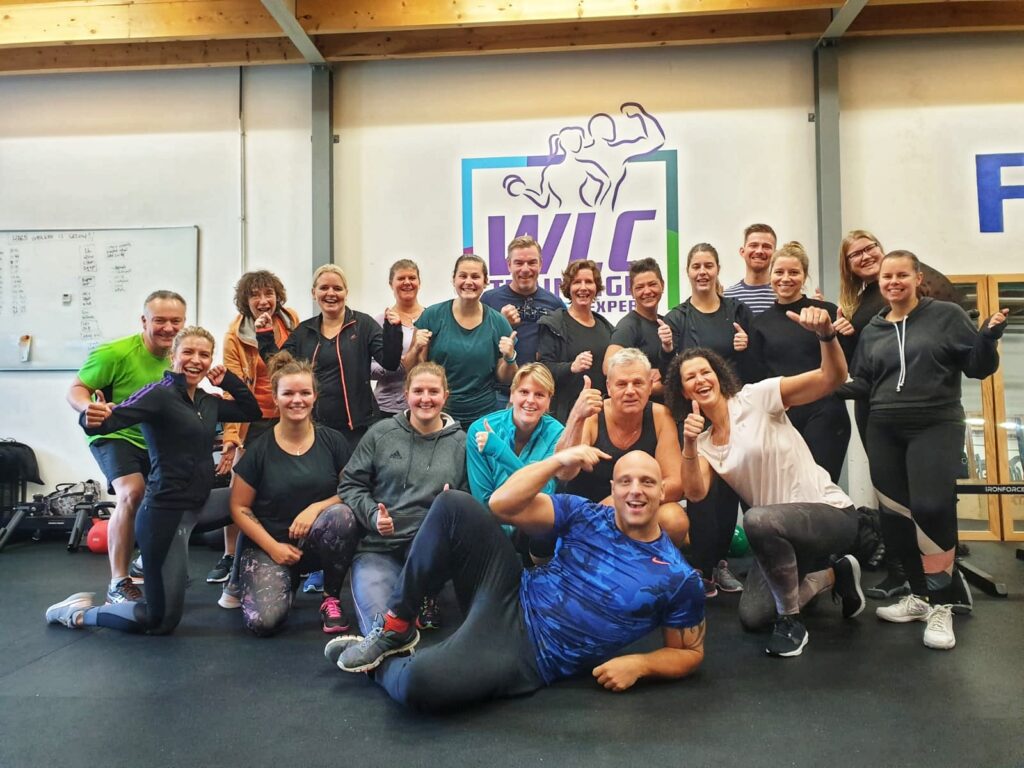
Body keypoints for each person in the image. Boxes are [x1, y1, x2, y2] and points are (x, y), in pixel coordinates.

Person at [326, 447, 706, 713]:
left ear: (663, 491)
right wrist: (555, 462)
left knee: (419, 685)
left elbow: (689, 652)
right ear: (613, 489)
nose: (635, 490)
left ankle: (380, 667)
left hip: (530, 653)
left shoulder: (677, 577)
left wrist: (640, 664)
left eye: (646, 482)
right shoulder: (586, 514)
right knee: (454, 505)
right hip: (509, 589)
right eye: (625, 481)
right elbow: (501, 504)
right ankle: (396, 626)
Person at [671, 305, 866, 658]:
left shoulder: (756, 397)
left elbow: (831, 378)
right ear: (685, 392)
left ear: (718, 375)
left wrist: (826, 336)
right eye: (690, 378)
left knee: (757, 518)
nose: (700, 380)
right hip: (778, 536)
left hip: (829, 515)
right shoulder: (704, 443)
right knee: (753, 615)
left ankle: (791, 623)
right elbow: (695, 493)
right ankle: (831, 576)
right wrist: (687, 443)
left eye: (705, 372)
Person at [46, 327, 261, 634]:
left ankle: (237, 583)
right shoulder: (158, 395)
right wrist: (90, 415)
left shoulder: (206, 401)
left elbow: (251, 410)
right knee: (160, 621)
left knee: (259, 498)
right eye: (188, 352)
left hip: (201, 505)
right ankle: (78, 614)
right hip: (166, 514)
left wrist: (227, 380)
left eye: (204, 354)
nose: (196, 360)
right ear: (173, 356)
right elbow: (108, 421)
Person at [843, 250, 1006, 651]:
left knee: (931, 508)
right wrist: (819, 387)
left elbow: (978, 367)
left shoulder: (946, 316)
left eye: (902, 275)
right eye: (887, 277)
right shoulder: (874, 329)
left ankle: (942, 604)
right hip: (884, 426)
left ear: (918, 279)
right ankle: (918, 596)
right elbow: (863, 383)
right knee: (895, 516)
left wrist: (988, 338)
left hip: (935, 423)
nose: (893, 282)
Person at [836, 229, 962, 600]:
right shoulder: (858, 304)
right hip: (875, 405)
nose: (864, 256)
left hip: (927, 409)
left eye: (869, 248)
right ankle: (902, 574)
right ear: (848, 265)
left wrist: (984, 341)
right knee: (891, 497)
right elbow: (858, 365)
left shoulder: (925, 298)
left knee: (930, 499)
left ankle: (945, 584)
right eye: (855, 254)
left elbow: (949, 337)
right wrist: (842, 335)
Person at [65, 290, 187, 604]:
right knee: (132, 492)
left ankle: (145, 561)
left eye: (176, 321)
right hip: (114, 434)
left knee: (178, 493)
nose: (168, 328)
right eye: (160, 320)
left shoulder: (180, 358)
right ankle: (118, 582)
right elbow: (77, 388)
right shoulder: (115, 353)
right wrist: (88, 408)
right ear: (144, 321)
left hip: (155, 439)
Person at [228, 352, 356, 636]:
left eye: (304, 393)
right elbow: (239, 507)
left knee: (342, 515)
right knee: (263, 623)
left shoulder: (332, 441)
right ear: (275, 398)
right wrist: (273, 548)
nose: (297, 400)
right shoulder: (259, 449)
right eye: (288, 393)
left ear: (314, 397)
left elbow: (352, 490)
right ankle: (285, 582)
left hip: (316, 543)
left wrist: (316, 508)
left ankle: (331, 598)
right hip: (271, 546)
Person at [337, 362, 468, 634]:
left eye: (433, 391)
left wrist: (453, 504)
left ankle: (429, 592)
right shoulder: (381, 433)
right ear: (406, 394)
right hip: (379, 547)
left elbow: (472, 500)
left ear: (445, 396)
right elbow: (351, 484)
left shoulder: (462, 444)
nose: (425, 399)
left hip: (427, 551)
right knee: (380, 630)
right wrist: (373, 515)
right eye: (418, 391)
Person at [659, 243, 753, 595]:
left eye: (708, 265)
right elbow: (668, 372)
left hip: (728, 414)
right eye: (696, 266)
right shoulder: (677, 318)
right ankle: (701, 566)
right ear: (688, 272)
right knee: (700, 492)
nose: (702, 272)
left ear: (717, 269)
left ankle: (721, 563)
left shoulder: (737, 311)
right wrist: (666, 350)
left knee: (728, 490)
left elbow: (753, 365)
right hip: (693, 415)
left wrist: (747, 348)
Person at [211, 270, 301, 585]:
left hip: (288, 413)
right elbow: (231, 390)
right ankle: (229, 554)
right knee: (240, 483)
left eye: (268, 294)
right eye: (255, 295)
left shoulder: (290, 321)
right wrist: (231, 438)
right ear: (245, 301)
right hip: (255, 417)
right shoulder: (234, 335)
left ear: (277, 296)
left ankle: (296, 551)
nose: (263, 301)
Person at [256, 264, 402, 448]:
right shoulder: (304, 331)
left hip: (358, 430)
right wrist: (265, 336)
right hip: (315, 429)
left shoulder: (363, 324)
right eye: (324, 288)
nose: (331, 293)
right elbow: (279, 368)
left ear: (346, 292)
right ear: (314, 293)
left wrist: (393, 331)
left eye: (337, 288)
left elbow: (390, 362)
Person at [560, 348, 688, 545]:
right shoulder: (591, 415)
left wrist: (625, 500)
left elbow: (675, 484)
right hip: (591, 509)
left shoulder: (660, 416)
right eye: (621, 384)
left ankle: (647, 563)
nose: (630, 391)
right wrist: (577, 416)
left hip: (638, 504)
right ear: (609, 387)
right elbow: (564, 473)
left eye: (638, 383)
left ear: (650, 386)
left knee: (674, 519)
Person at [748, 242, 852, 483]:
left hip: (826, 414)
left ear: (804, 276)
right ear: (770, 275)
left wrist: (844, 332)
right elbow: (756, 376)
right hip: (782, 417)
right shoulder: (759, 323)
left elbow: (846, 363)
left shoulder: (825, 312)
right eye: (779, 272)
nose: (786, 278)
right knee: (786, 490)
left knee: (820, 488)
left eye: (794, 272)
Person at [467, 364, 564, 560]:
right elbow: (484, 502)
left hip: (532, 535)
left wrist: (501, 451)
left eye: (539, 395)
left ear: (548, 401)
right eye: (524, 392)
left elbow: (545, 495)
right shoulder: (479, 430)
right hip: (490, 534)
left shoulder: (557, 434)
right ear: (511, 395)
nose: (530, 400)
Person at [415, 254, 518, 428]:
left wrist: (510, 358)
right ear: (454, 279)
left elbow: (506, 378)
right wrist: (416, 348)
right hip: (439, 414)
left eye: (475, 276)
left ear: (486, 282)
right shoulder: (432, 316)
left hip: (483, 416)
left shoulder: (499, 322)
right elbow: (414, 370)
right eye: (463, 276)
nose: (468, 282)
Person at [482, 235, 564, 407]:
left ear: (540, 264)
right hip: (501, 394)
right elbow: (476, 345)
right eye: (518, 263)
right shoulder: (489, 300)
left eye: (532, 262)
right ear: (508, 265)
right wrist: (501, 323)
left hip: (540, 395)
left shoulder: (555, 304)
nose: (525, 269)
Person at [537, 259, 614, 424]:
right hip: (565, 416)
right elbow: (543, 369)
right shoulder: (554, 324)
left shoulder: (607, 327)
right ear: (568, 288)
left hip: (600, 415)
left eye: (589, 282)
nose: (583, 287)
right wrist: (571, 367)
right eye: (577, 282)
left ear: (596, 287)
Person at [372, 259, 430, 418]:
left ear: (419, 282)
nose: (407, 282)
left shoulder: (431, 318)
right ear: (391, 284)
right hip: (388, 407)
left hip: (426, 404)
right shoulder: (380, 322)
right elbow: (367, 367)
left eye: (412, 278)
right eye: (401, 278)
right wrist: (395, 365)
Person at [604, 257, 668, 398]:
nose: (647, 291)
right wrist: (645, 374)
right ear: (631, 292)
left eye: (652, 284)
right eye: (639, 287)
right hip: (643, 407)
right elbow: (608, 366)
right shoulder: (628, 326)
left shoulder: (666, 322)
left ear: (662, 285)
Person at [723, 223, 777, 315]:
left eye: (766, 246)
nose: (759, 251)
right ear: (742, 252)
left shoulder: (783, 296)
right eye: (754, 245)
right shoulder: (727, 297)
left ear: (775, 254)